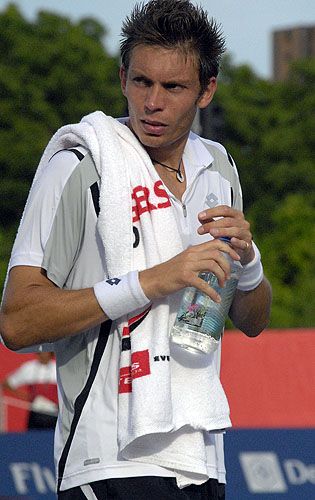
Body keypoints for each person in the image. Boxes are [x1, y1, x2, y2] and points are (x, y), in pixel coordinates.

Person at [0, 0, 272, 498]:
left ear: (206, 91)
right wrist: (151, 281)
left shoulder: (220, 169)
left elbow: (253, 321)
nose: (152, 102)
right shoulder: (80, 162)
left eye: (173, 87)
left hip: (201, 458)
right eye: (142, 82)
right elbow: (16, 321)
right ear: (122, 77)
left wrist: (248, 263)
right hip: (106, 461)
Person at [1, 352, 58, 430]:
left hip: (54, 413)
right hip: (35, 412)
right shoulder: (29, 367)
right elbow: (7, 384)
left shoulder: (58, 367)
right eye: (40, 352)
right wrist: (28, 397)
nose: (42, 354)